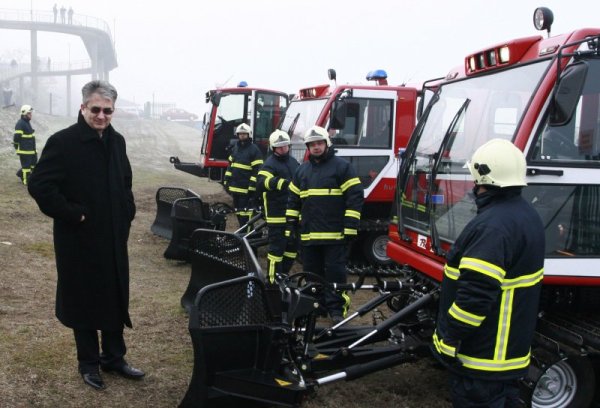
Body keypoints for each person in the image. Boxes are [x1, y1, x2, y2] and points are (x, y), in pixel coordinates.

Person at [28, 80, 144, 391]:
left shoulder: (116, 141)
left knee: (113, 295)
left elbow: (125, 181)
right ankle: (89, 363)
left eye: (108, 110)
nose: (102, 116)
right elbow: (39, 185)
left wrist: (126, 211)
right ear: (83, 107)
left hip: (112, 238)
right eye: (96, 109)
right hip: (78, 239)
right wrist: (72, 213)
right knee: (84, 300)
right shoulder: (63, 142)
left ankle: (114, 357)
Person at [431, 139, 545, 407]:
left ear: (483, 177)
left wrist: (450, 337)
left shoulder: (493, 227)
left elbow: (475, 296)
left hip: (484, 357)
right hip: (508, 354)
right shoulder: (527, 215)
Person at [286, 126, 364, 323]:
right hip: (309, 236)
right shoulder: (301, 171)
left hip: (335, 236)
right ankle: (316, 306)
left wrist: (350, 226)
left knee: (335, 274)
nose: (316, 147)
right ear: (308, 147)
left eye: (319, 143)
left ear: (326, 144)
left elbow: (355, 197)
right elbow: (293, 200)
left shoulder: (342, 167)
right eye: (312, 144)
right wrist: (290, 225)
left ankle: (336, 310)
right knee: (313, 275)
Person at [257, 130, 300, 283]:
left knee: (292, 248)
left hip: (293, 214)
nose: (283, 149)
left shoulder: (294, 162)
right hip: (277, 215)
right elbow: (261, 182)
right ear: (273, 148)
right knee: (277, 249)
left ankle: (283, 275)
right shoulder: (269, 164)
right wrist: (283, 183)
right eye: (279, 147)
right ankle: (272, 280)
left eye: (285, 146)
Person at [223, 123, 263, 228]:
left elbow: (257, 170)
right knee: (238, 212)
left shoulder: (254, 150)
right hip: (235, 188)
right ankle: (242, 231)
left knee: (246, 213)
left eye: (244, 134)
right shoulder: (235, 147)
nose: (242, 136)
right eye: (240, 134)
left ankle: (248, 235)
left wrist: (252, 187)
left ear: (248, 135)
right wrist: (226, 179)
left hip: (246, 189)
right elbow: (230, 165)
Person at [13, 104, 37, 185]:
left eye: (31, 113)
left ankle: (21, 174)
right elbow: (16, 138)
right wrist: (17, 148)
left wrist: (34, 150)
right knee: (26, 167)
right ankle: (26, 181)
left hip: (31, 150)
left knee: (33, 166)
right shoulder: (20, 124)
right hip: (25, 151)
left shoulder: (27, 123)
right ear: (24, 114)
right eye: (29, 113)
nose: (31, 115)